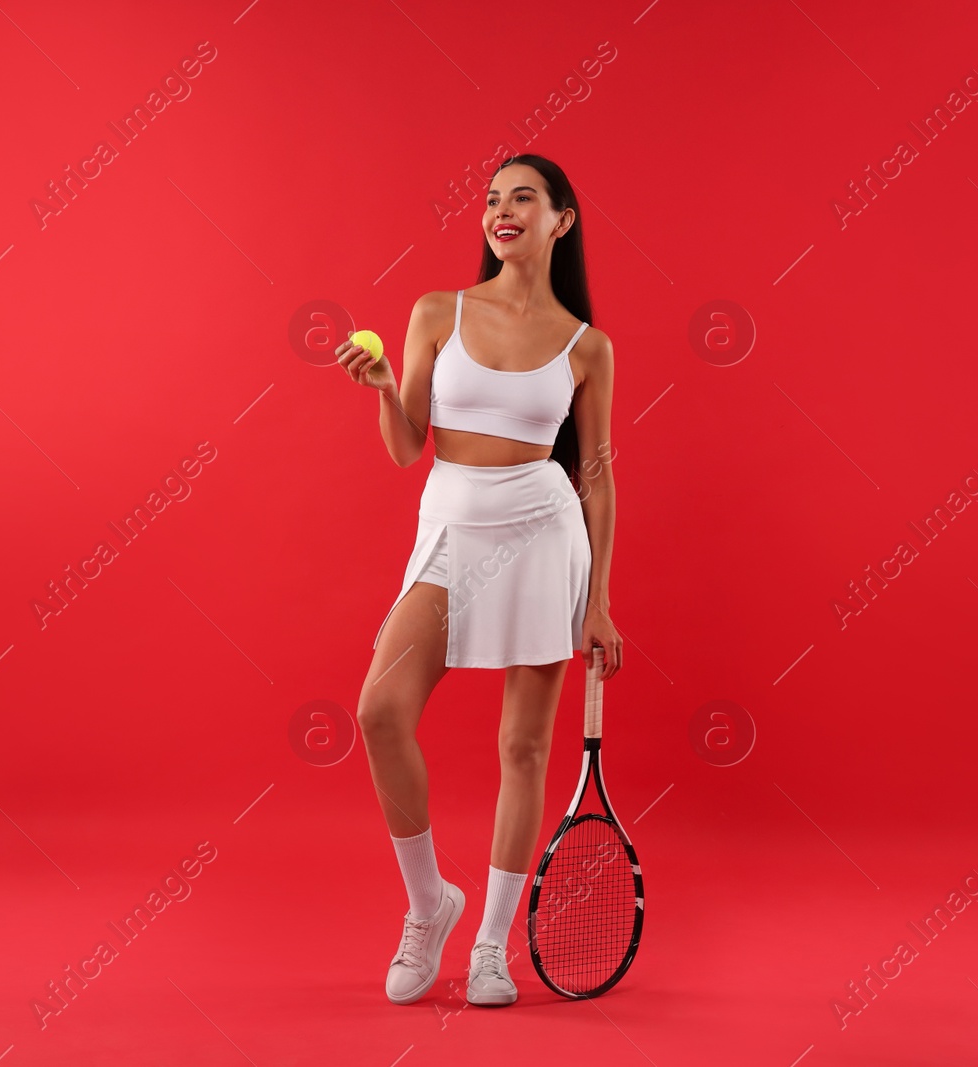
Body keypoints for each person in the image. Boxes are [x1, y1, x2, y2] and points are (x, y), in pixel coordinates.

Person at [336, 154, 623, 1007]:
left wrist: (600, 598)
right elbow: (404, 446)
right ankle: (431, 908)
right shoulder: (436, 310)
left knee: (522, 748)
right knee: (379, 710)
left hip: (543, 533)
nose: (502, 212)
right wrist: (388, 389)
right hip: (453, 525)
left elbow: (598, 473)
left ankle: (494, 946)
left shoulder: (587, 345)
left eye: (522, 199)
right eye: (493, 200)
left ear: (560, 220)